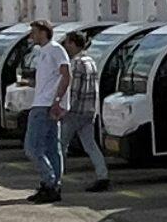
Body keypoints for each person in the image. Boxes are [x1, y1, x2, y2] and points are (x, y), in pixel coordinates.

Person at [22, 20, 70, 203]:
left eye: (34, 32)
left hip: (45, 105)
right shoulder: (42, 52)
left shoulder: (55, 50)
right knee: (51, 148)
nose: (31, 36)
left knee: (32, 148)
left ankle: (49, 181)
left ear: (43, 32)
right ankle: (53, 185)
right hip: (42, 102)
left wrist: (57, 101)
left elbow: (66, 76)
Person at [58, 29, 110, 193]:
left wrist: (63, 109)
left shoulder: (76, 63)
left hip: (75, 111)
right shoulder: (91, 61)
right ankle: (103, 176)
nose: (65, 46)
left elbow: (74, 90)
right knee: (90, 145)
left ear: (73, 44)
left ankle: (56, 178)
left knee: (60, 144)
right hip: (89, 110)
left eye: (67, 43)